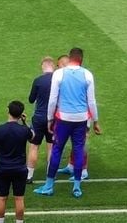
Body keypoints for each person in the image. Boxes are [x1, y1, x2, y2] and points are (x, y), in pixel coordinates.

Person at [34, 48, 101, 198]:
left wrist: (50, 119)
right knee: (78, 150)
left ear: (70, 58)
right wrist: (95, 121)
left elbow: (53, 99)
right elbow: (91, 101)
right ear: (81, 60)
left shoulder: (59, 74)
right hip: (81, 119)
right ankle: (76, 187)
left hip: (63, 118)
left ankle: (49, 186)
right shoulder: (87, 74)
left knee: (57, 150)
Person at [0, 101, 34, 223]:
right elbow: (33, 137)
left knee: (2, 198)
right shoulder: (24, 130)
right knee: (19, 199)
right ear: (21, 114)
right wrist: (25, 122)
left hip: (3, 169)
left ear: (8, 111)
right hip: (20, 169)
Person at [26, 56, 57, 183]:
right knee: (51, 147)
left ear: (43, 66)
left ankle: (29, 175)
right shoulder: (58, 80)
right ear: (53, 66)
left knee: (34, 146)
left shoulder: (38, 80)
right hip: (53, 118)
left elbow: (31, 99)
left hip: (39, 117)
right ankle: (50, 175)